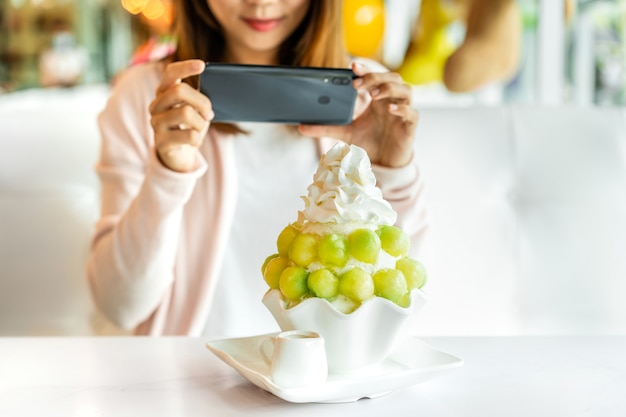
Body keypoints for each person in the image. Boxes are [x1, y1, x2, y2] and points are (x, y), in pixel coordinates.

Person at [87, 0, 427, 337]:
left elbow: (405, 295)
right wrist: (166, 172)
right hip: (190, 372)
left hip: (326, 376)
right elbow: (120, 306)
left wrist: (391, 170)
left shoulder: (365, 92)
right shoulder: (145, 95)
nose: (261, 3)